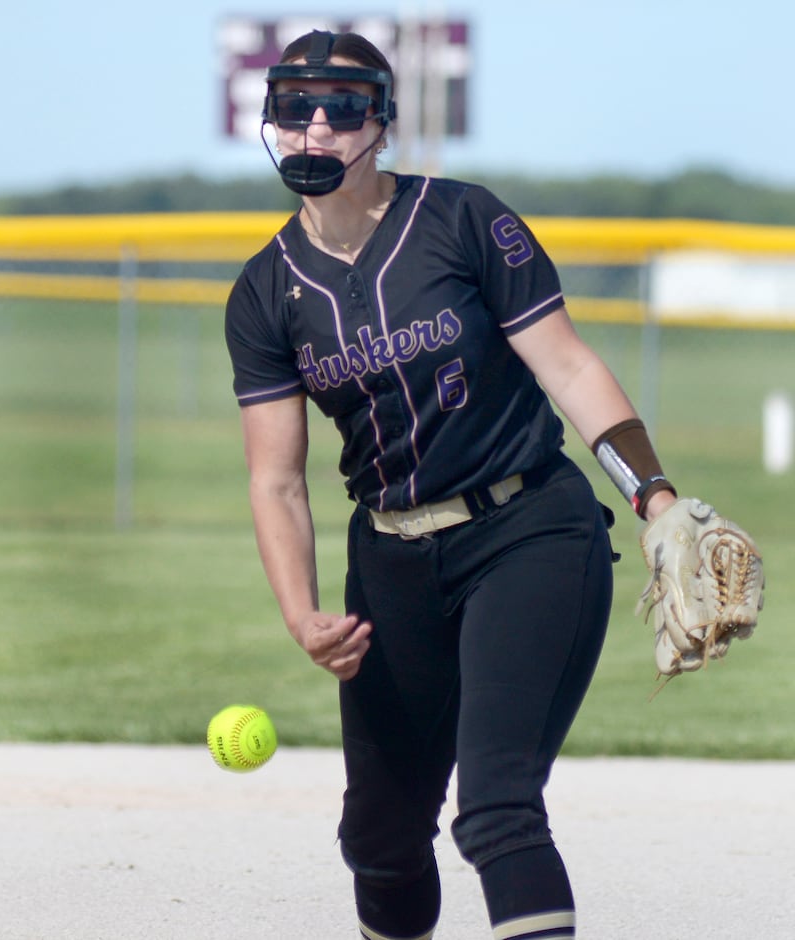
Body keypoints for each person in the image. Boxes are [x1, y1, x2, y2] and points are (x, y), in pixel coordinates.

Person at [224, 29, 679, 940]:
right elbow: (276, 481)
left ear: (381, 125)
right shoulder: (266, 291)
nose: (315, 129)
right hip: (391, 561)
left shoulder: (465, 220)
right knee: (381, 839)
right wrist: (302, 614)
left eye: (342, 108)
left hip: (527, 530)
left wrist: (654, 498)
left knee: (496, 804)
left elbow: (570, 368)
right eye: (293, 109)